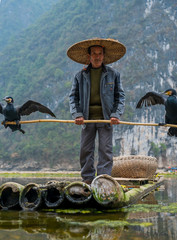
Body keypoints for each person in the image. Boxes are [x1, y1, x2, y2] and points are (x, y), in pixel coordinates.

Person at [67, 38, 126, 184]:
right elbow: (73, 98)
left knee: (105, 150)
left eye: (100, 53)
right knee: (86, 150)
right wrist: (78, 114)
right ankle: (87, 180)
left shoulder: (113, 74)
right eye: (94, 53)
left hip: (106, 119)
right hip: (87, 119)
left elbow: (120, 97)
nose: (97, 56)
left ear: (104, 56)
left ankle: (103, 180)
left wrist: (115, 115)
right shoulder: (80, 76)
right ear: (89, 57)